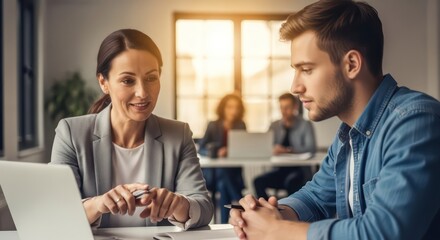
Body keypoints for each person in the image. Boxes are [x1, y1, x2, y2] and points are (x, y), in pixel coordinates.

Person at [229, 1, 440, 239]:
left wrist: (277, 230)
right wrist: (266, 214)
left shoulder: (416, 122)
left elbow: (383, 233)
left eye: (306, 69)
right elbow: (316, 198)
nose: (295, 86)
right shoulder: (347, 136)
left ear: (351, 64)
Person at [50, 29, 213, 229]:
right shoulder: (71, 133)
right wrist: (98, 204)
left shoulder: (178, 135)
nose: (142, 93)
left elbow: (204, 209)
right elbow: (57, 213)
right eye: (128, 80)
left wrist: (179, 205)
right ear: (104, 82)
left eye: (151, 78)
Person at [253, 93, 316, 200]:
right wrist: (272, 149)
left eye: (287, 107)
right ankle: (270, 209)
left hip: (299, 170)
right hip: (279, 170)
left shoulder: (305, 124)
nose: (284, 111)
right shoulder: (274, 125)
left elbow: (311, 148)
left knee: (291, 182)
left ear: (295, 107)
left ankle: (291, 211)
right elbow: (265, 146)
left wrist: (288, 150)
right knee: (258, 181)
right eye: (281, 107)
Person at [198, 93, 246, 223]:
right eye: (230, 107)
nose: (233, 111)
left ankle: (223, 224)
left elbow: (244, 148)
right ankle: (239, 200)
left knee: (223, 184)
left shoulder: (240, 125)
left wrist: (231, 151)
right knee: (222, 176)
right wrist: (215, 152)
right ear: (223, 108)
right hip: (212, 174)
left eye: (236, 107)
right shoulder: (213, 125)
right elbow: (201, 148)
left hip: (233, 174)